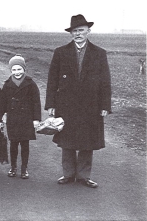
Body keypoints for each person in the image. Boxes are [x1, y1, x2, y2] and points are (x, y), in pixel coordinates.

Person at [45, 14, 111, 188]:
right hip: (66, 104)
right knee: (67, 139)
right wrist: (51, 104)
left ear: (88, 31)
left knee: (87, 140)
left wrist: (105, 105)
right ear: (71, 33)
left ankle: (83, 176)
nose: (78, 34)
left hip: (91, 105)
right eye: (74, 31)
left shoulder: (99, 53)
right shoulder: (60, 52)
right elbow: (52, 80)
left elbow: (105, 81)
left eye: (81, 30)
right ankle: (68, 174)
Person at [0, 55, 41, 179]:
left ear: (24, 69)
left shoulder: (31, 83)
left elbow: (36, 102)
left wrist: (36, 119)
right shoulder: (7, 84)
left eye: (19, 69)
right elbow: (2, 102)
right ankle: (13, 168)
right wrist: (0, 117)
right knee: (13, 144)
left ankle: (24, 169)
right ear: (11, 71)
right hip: (13, 119)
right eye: (14, 70)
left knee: (25, 145)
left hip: (26, 118)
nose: (17, 72)